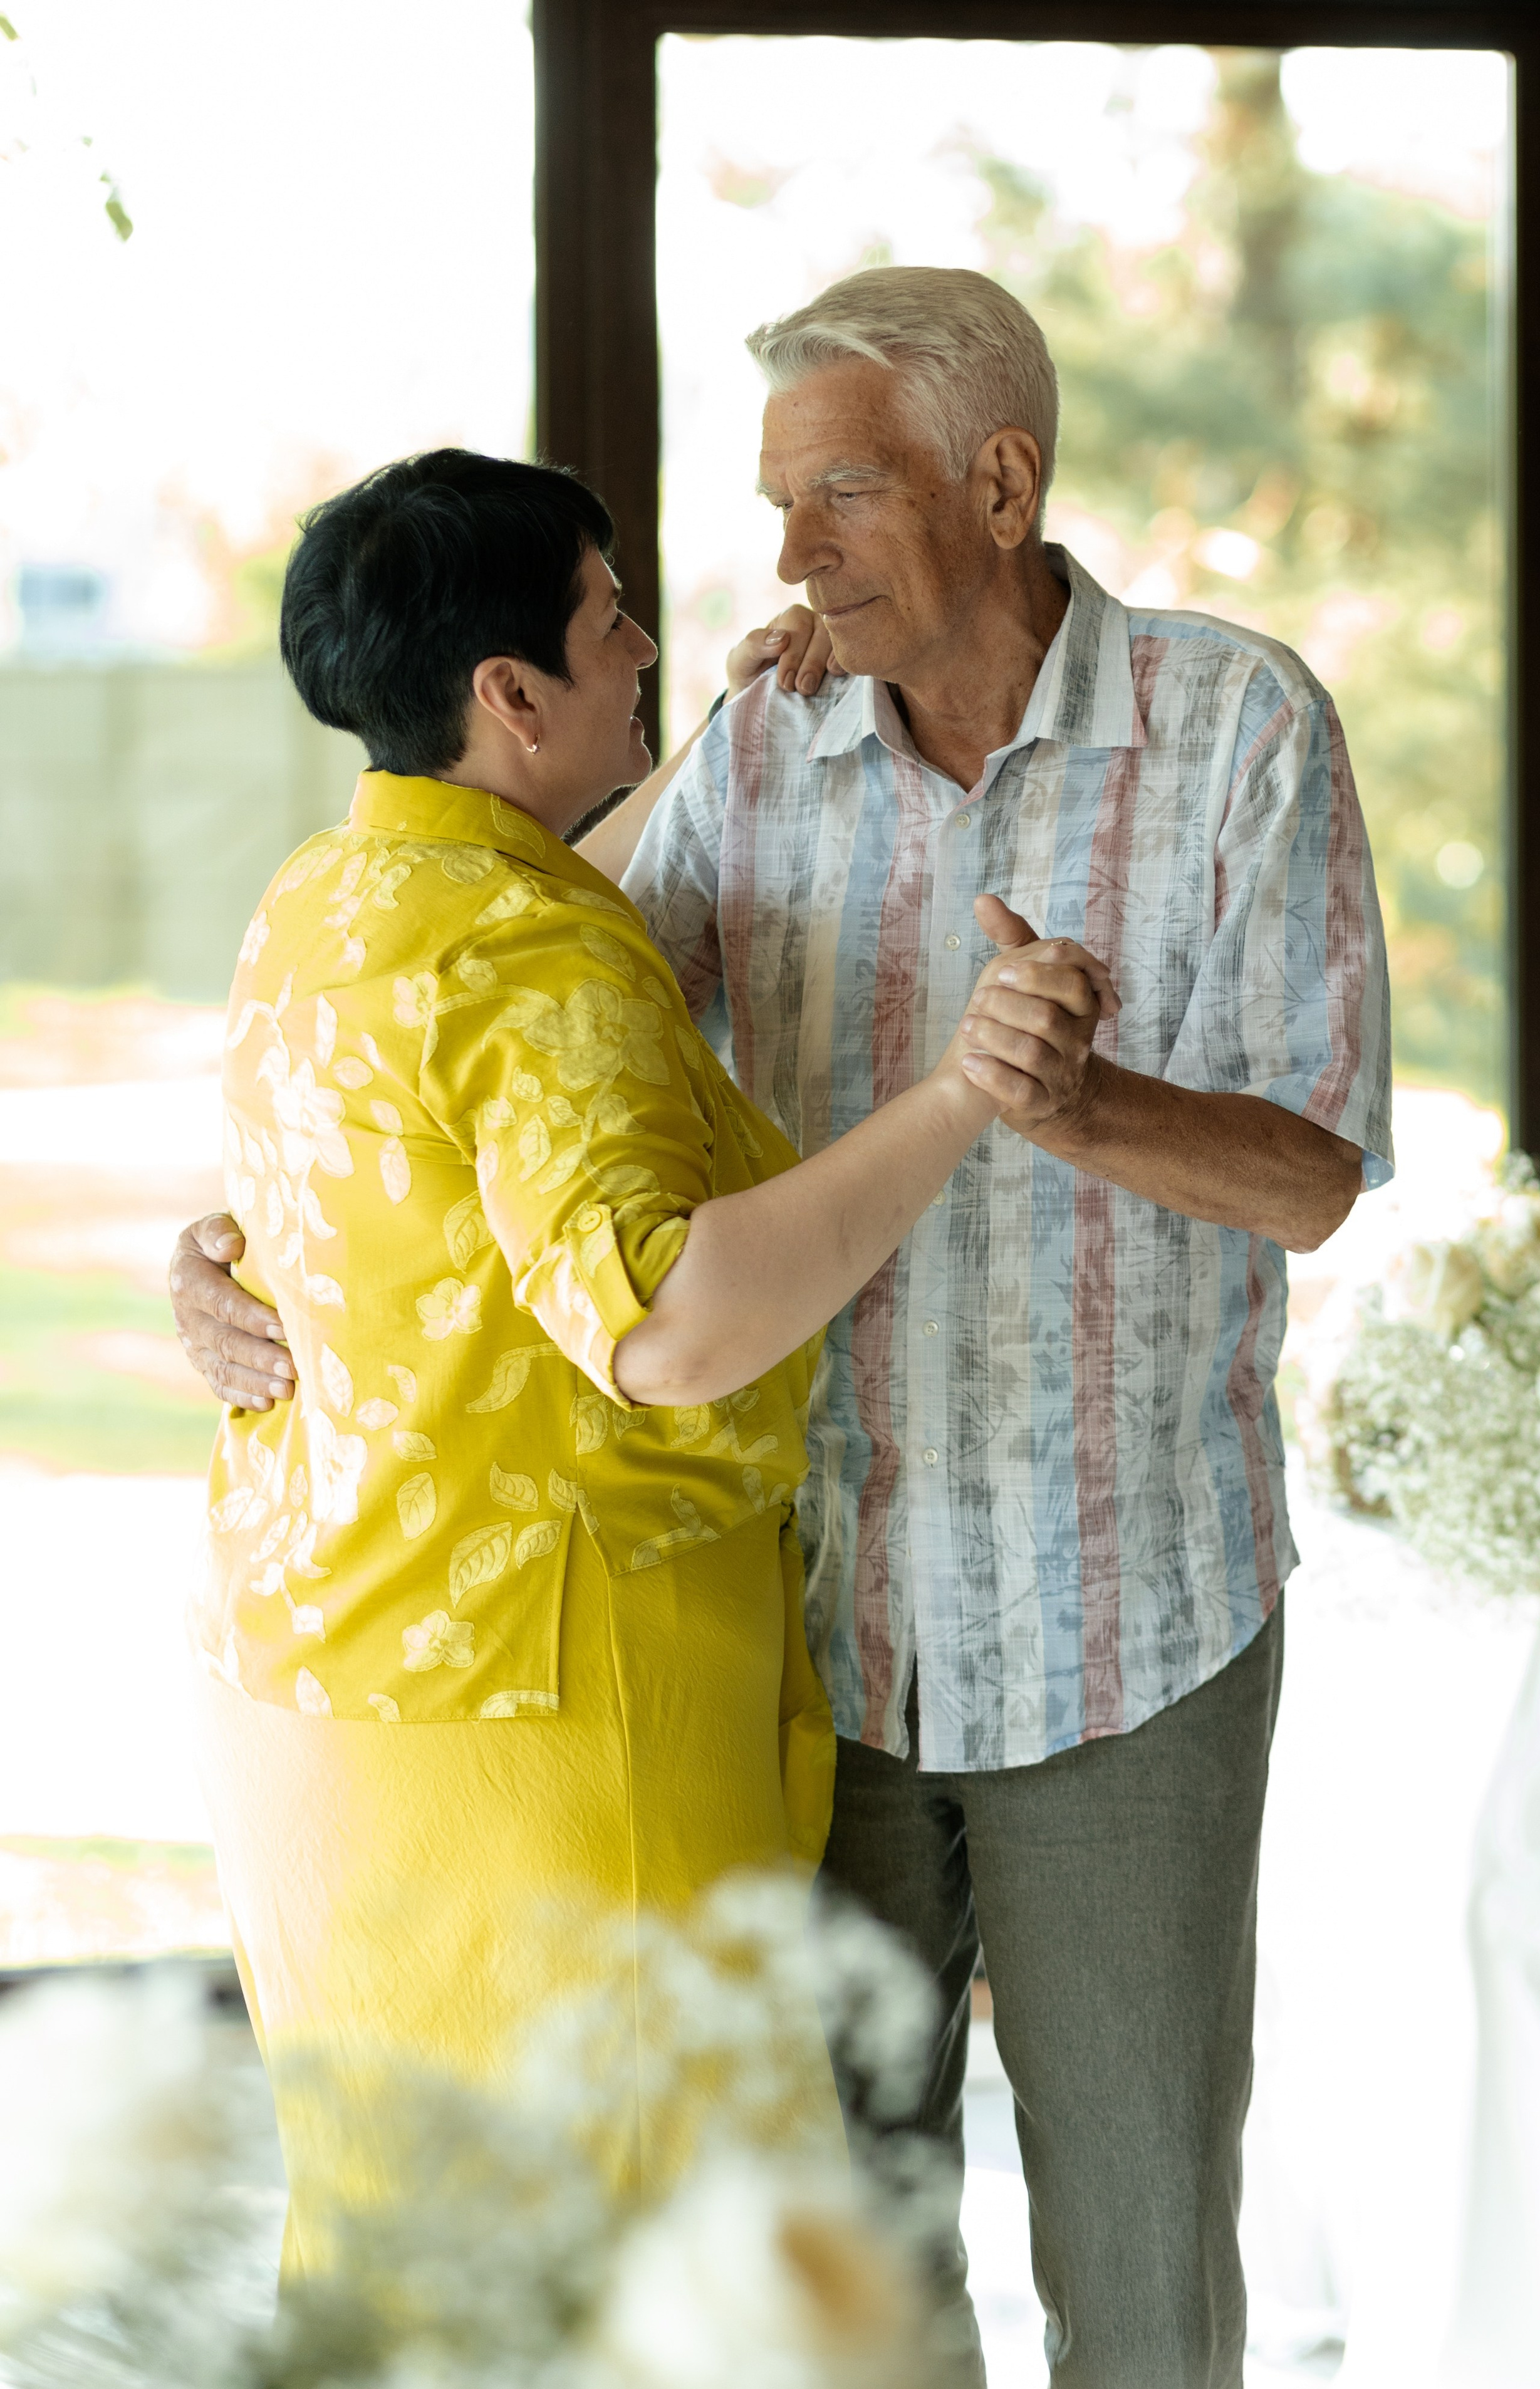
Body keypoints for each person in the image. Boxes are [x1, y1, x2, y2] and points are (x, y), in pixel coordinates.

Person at [174, 269, 1392, 2389]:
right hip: (808, 1635)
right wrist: (246, 1243)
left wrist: (1074, 1102)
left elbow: (1312, 1174)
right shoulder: (755, 744)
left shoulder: (1241, 729)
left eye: (842, 494)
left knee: (1139, 2271)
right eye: (776, 503)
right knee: (844, 2288)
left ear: (1000, 483)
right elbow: (526, 1059)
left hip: (1129, 1624)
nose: (791, 554)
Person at [184, 444, 1090, 2275]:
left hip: (329, 1699)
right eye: (609, 621)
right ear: (510, 695)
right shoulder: (529, 957)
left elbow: (505, 965)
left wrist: (704, 743)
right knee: (652, 2260)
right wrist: (962, 1093)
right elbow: (667, 1323)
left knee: (419, 2259)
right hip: (549, 1713)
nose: (650, 644)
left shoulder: (326, 903)